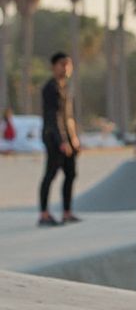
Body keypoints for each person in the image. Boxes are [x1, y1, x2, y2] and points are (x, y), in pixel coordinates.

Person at [38, 52, 81, 226]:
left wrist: (74, 138)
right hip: (53, 136)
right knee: (50, 174)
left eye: (68, 64)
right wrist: (62, 141)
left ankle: (67, 212)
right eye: (62, 64)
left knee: (71, 173)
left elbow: (68, 117)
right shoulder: (50, 88)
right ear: (54, 67)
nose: (66, 68)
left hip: (67, 138)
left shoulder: (65, 87)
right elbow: (53, 116)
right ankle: (44, 214)